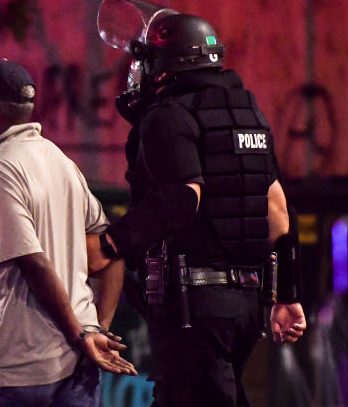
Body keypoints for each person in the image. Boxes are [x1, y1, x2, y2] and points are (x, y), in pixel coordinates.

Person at [93, 6, 307, 407]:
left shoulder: (167, 115)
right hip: (245, 307)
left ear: (165, 66)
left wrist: (109, 244)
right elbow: (278, 209)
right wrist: (288, 295)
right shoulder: (246, 114)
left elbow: (181, 199)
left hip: (195, 306)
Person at [0, 59, 137, 407]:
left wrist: (82, 336)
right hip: (77, 366)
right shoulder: (60, 160)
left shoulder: (3, 169)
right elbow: (113, 248)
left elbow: (36, 265)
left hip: (20, 369)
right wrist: (97, 329)